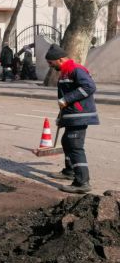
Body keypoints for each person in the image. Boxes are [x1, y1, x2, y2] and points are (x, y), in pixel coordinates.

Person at [45, 44, 99, 194]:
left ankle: (82, 182)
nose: (50, 66)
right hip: (71, 115)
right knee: (66, 142)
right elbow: (64, 100)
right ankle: (70, 171)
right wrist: (61, 117)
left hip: (80, 115)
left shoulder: (76, 70)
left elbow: (89, 87)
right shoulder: (65, 72)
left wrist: (67, 99)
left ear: (60, 59)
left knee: (74, 145)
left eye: (51, 62)